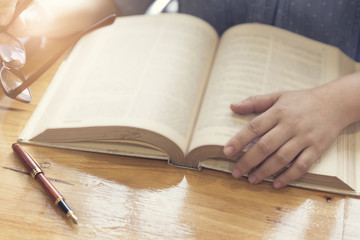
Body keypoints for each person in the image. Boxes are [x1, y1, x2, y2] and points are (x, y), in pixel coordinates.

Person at [2, 0, 360, 189]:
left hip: (332, 132)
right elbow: (112, 3)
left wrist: (339, 102)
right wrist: (36, 15)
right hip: (182, 164)